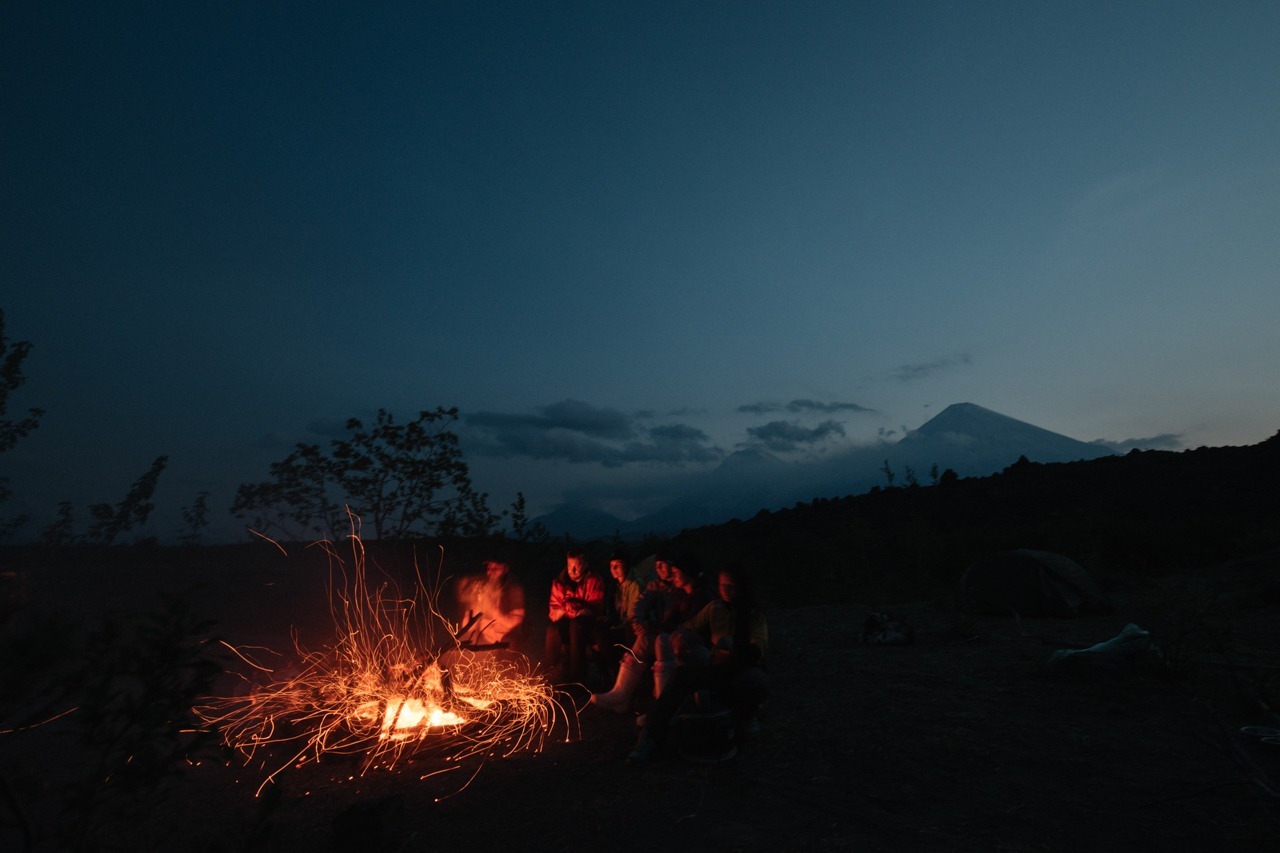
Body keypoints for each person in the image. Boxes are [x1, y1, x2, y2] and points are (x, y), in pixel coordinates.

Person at [627, 562, 768, 764]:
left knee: (754, 679)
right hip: (717, 669)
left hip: (743, 671)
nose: (725, 591)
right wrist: (682, 636)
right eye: (721, 586)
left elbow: (758, 650)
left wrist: (735, 646)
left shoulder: (754, 615)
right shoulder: (715, 608)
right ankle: (650, 738)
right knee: (682, 675)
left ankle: (748, 715)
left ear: (742, 587)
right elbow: (689, 626)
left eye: (731, 586)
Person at [591, 551, 710, 714]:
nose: (673, 576)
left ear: (687, 574)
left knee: (662, 640)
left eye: (676, 572)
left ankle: (663, 709)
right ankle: (620, 695)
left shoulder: (700, 597)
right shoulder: (679, 593)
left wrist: (652, 625)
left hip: (696, 648)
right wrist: (640, 623)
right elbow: (662, 618)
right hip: (675, 638)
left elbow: (687, 628)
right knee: (645, 639)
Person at [544, 550, 606, 683]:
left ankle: (576, 678)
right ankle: (549, 674)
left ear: (585, 565)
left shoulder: (594, 581)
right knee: (552, 630)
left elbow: (594, 610)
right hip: (566, 622)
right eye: (569, 565)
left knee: (576, 626)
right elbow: (553, 613)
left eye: (576, 566)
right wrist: (574, 609)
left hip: (589, 624)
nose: (572, 570)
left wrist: (566, 608)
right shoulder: (559, 582)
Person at [457, 558, 526, 649]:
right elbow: (469, 626)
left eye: (497, 568)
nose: (491, 571)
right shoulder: (483, 587)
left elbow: (516, 622)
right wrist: (473, 608)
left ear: (505, 569)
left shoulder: (513, 590)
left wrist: (493, 611)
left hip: (503, 643)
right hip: (482, 640)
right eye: (489, 567)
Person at [605, 550, 642, 654]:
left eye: (618, 565)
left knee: (611, 636)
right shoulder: (615, 585)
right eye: (611, 565)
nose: (614, 568)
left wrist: (615, 627)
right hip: (619, 622)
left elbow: (632, 615)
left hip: (629, 626)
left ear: (626, 566)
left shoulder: (635, 586)